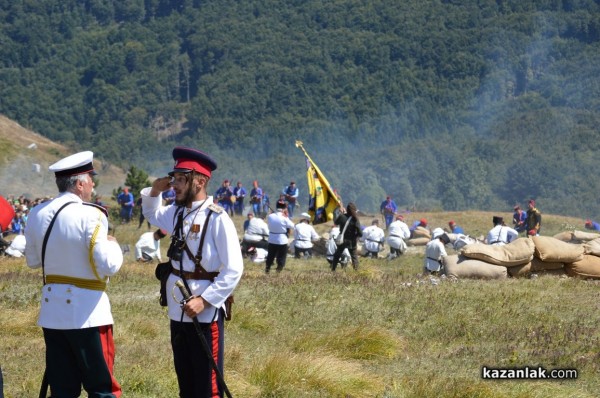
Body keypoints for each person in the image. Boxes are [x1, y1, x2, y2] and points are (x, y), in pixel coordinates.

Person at [141, 146, 243, 397]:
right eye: (173, 178)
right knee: (185, 384)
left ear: (200, 181)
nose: (174, 184)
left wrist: (205, 300)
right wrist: (155, 189)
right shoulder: (176, 213)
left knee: (208, 387)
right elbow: (151, 212)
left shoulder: (218, 218)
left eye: (180, 179)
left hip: (204, 314)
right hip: (178, 313)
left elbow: (233, 270)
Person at [24, 151, 124, 397]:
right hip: (88, 313)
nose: (92, 184)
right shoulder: (92, 214)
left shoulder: (37, 213)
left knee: (63, 389)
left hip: (52, 313)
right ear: (80, 184)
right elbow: (108, 265)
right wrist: (113, 243)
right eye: (90, 179)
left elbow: (33, 261)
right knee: (101, 388)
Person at [265, 200, 295, 273]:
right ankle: (279, 269)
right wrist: (286, 216)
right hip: (282, 239)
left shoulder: (270, 216)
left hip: (272, 239)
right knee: (281, 256)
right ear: (284, 208)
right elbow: (292, 226)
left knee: (270, 255)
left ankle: (267, 268)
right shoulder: (284, 217)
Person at [331, 202, 362, 271]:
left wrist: (340, 213)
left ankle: (333, 269)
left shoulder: (342, 217)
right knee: (354, 257)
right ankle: (356, 270)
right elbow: (360, 233)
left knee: (337, 255)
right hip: (352, 241)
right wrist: (356, 236)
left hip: (342, 240)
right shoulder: (355, 219)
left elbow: (335, 222)